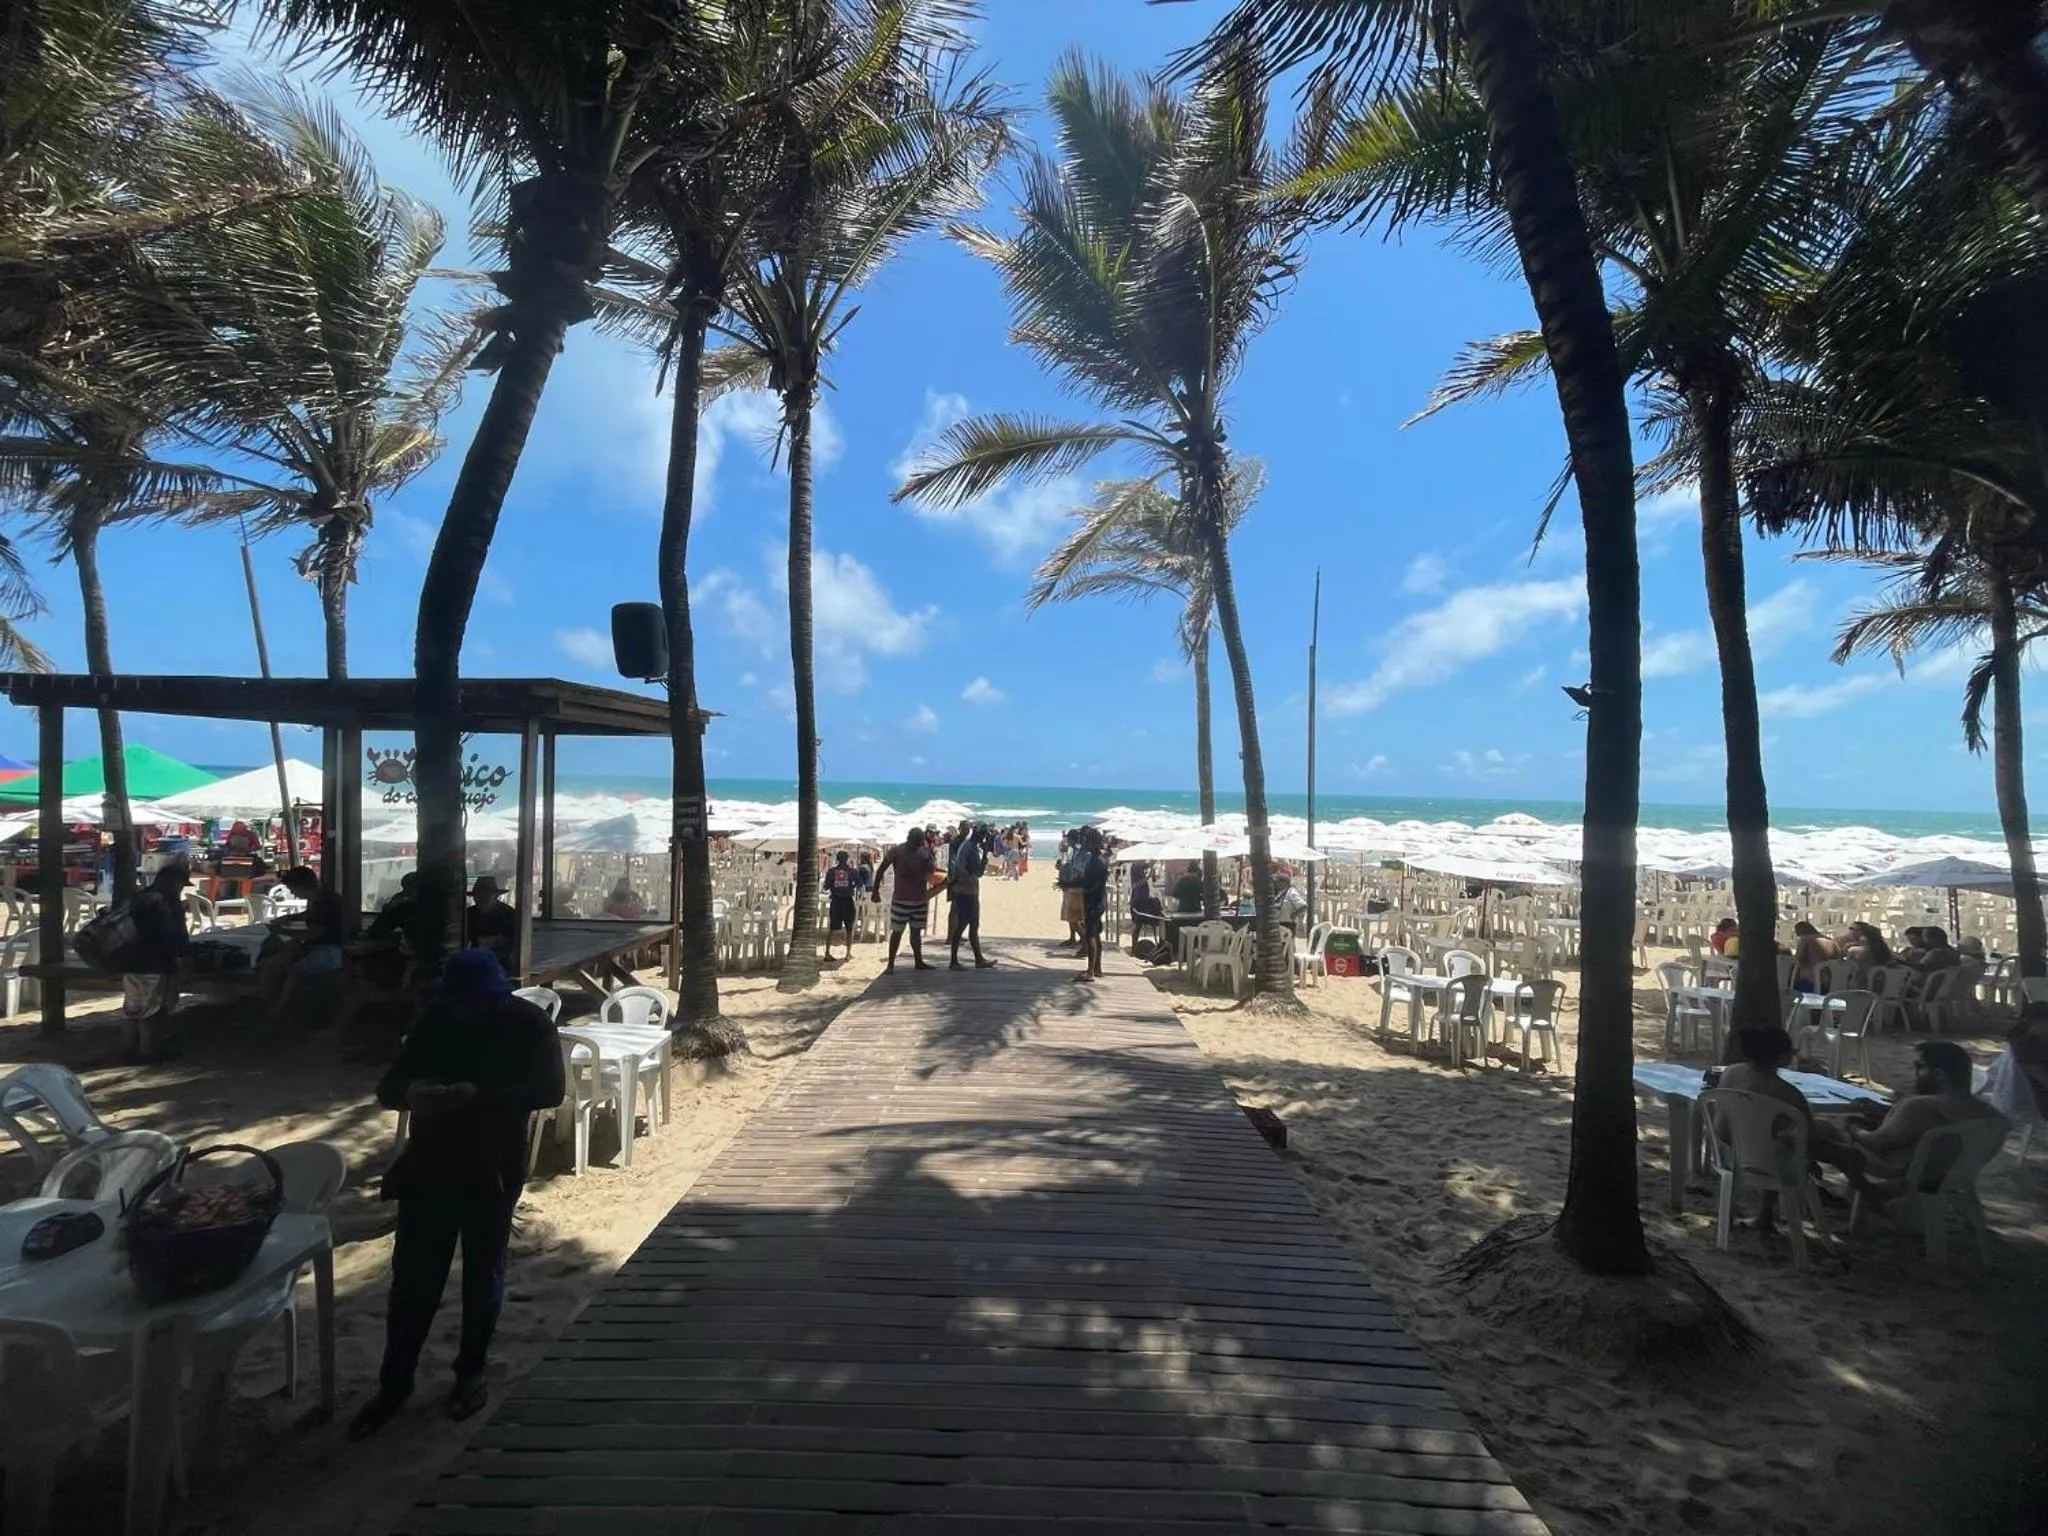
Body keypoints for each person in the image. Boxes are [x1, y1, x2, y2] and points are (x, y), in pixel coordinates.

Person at [348, 950, 564, 1440]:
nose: (464, 1010)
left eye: (473, 1002)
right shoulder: (437, 1019)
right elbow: (389, 1086)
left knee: (483, 1275)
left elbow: (550, 1090)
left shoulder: (529, 1025)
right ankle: (394, 1382)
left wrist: (479, 1095)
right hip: (430, 1162)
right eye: (458, 1002)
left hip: (494, 1163)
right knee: (413, 1279)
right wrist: (412, 1094)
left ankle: (471, 1372)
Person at [1717, 1026, 1872, 1222]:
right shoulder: (1788, 1094)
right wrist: (1817, 1156)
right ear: (1783, 1057)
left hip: (1731, 1152)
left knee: (1776, 1136)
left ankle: (1766, 1214)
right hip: (1774, 1164)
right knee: (1847, 1154)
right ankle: (1869, 1192)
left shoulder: (1731, 1074)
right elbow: (1811, 1139)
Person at [1846, 1039, 1996, 1198]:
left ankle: (1860, 1196)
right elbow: (1921, 1125)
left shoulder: (1920, 1106)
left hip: (1904, 1175)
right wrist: (1886, 1111)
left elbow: (1877, 1142)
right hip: (1950, 1179)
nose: (1915, 1073)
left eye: (1920, 1067)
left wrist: (1853, 1128)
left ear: (1938, 1074)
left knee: (1836, 1137)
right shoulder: (1990, 1114)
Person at [119, 858, 192, 1063]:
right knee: (152, 1011)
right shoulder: (166, 904)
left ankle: (129, 1049)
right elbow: (174, 936)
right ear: (174, 882)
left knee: (132, 1009)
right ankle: (148, 1051)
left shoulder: (139, 898)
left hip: (131, 961)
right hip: (155, 964)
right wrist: (184, 955)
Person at [875, 825, 937, 973]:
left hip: (919, 899)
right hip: (902, 900)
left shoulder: (923, 852)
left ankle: (918, 961)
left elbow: (931, 870)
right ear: (910, 839)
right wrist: (875, 890)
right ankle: (891, 964)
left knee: (916, 933)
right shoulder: (897, 851)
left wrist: (930, 854)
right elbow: (882, 869)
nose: (917, 844)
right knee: (897, 933)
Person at [946, 824, 997, 970]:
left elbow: (978, 872)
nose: (984, 838)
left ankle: (978, 959)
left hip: (972, 891)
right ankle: (953, 961)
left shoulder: (973, 847)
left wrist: (985, 854)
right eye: (983, 835)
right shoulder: (968, 847)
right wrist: (968, 880)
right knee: (962, 925)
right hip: (965, 892)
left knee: (974, 925)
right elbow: (960, 867)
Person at [1074, 827, 1109, 982]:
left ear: (1094, 842)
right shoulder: (1097, 858)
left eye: (1087, 841)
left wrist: (1083, 888)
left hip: (1095, 901)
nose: (1085, 844)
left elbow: (1095, 883)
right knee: (1095, 934)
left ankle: (1090, 971)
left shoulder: (1098, 860)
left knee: (1090, 934)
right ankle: (1097, 968)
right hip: (1097, 900)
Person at [465, 876, 518, 961]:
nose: (481, 900)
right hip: (475, 960)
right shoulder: (469, 914)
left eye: (487, 897)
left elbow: (513, 942)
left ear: (496, 896)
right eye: (478, 896)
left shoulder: (508, 914)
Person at [822, 850, 861, 960]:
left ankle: (827, 952)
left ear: (837, 859)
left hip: (836, 902)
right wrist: (851, 885)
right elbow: (860, 884)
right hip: (848, 901)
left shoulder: (831, 872)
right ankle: (848, 953)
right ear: (847, 859)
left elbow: (825, 887)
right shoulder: (852, 871)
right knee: (849, 928)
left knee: (832, 928)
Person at [1790, 920, 1838, 992]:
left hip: (1811, 983)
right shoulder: (1831, 941)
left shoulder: (1805, 939)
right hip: (1831, 984)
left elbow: (1797, 960)